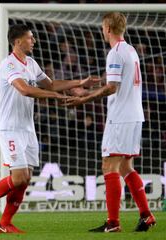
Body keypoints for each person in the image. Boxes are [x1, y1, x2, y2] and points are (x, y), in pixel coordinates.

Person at [0, 24, 98, 233]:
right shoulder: (9, 64)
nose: (34, 41)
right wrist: (56, 97)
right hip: (10, 128)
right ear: (18, 41)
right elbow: (25, 90)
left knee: (26, 180)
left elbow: (49, 84)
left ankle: (5, 224)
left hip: (28, 129)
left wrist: (80, 82)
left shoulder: (31, 63)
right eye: (30, 38)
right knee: (18, 177)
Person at [65, 12, 156, 232]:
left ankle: (113, 223)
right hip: (134, 115)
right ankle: (146, 215)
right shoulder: (131, 50)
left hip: (121, 117)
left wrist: (83, 99)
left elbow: (112, 88)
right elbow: (117, 84)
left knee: (109, 165)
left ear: (107, 28)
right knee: (126, 166)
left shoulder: (115, 53)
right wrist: (87, 89)